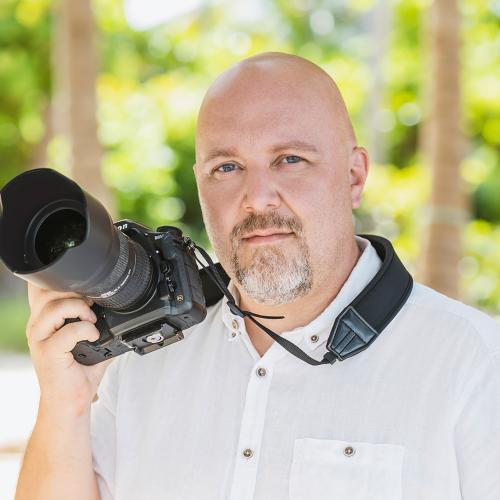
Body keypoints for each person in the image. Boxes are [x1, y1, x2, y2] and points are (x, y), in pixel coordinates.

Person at [15, 52, 500, 500]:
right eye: (227, 167)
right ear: (200, 184)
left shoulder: (473, 363)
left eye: (290, 160)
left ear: (354, 176)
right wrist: (65, 403)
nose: (257, 197)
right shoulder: (143, 357)